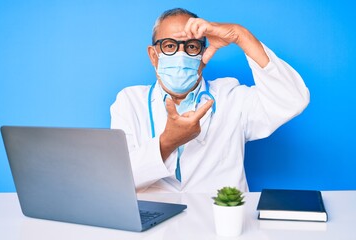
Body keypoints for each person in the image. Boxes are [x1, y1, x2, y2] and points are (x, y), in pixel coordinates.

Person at [110, 8, 309, 193]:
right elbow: (118, 179)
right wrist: (168, 142)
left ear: (204, 54)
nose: (181, 56)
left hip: (221, 223)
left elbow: (293, 99)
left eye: (191, 46)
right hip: (155, 225)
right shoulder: (129, 102)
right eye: (170, 46)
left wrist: (240, 35)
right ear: (154, 56)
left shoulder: (231, 97)